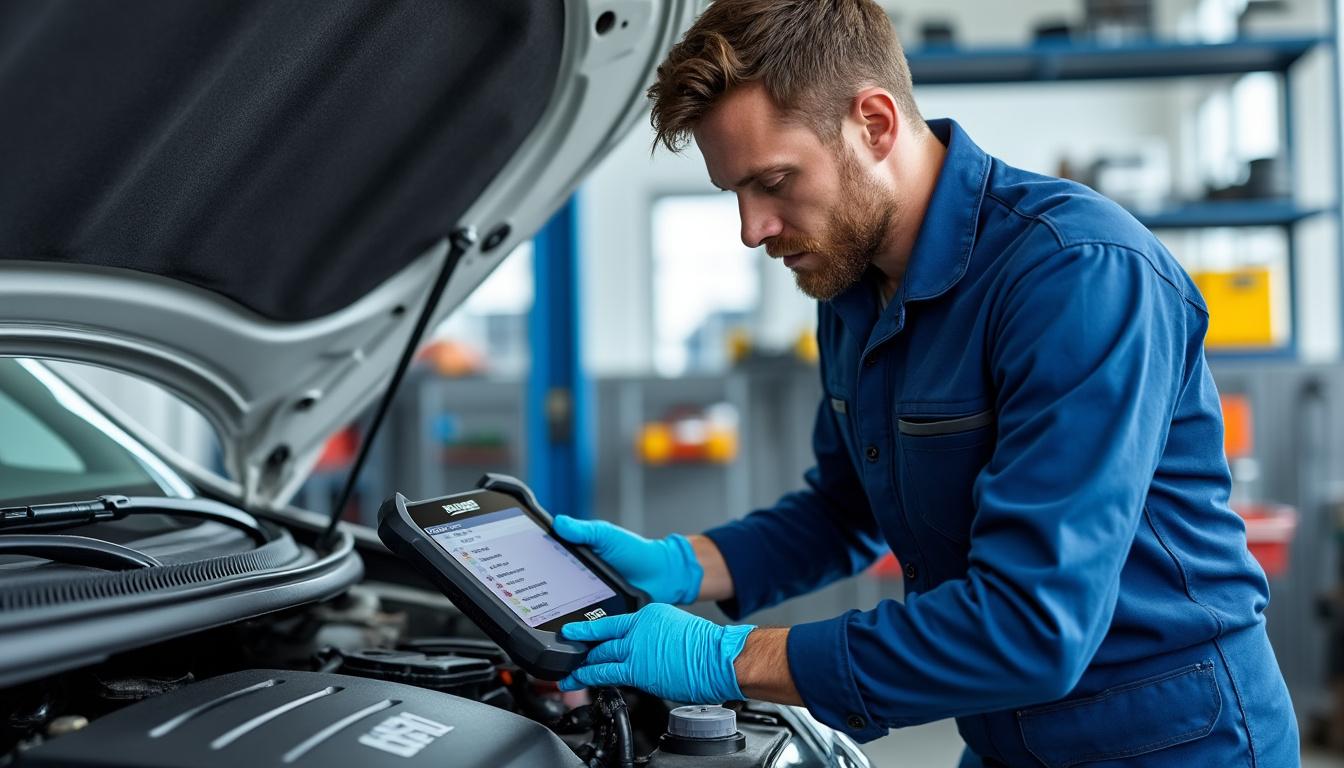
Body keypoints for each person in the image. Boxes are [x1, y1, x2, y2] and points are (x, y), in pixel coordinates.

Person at [552, 1, 1299, 765]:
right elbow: (847, 510)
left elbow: (1030, 626)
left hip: (1172, 741)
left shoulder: (1077, 274)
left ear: (874, 124)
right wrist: (684, 563)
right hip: (1006, 732)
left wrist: (729, 660)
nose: (752, 228)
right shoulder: (851, 289)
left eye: (774, 181)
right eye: (735, 193)